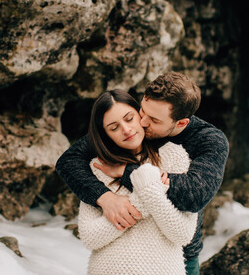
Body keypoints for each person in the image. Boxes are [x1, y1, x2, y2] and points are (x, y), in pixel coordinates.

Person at [55, 72, 229, 274]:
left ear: (181, 123)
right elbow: (68, 161)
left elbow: (195, 194)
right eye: (142, 111)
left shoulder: (208, 140)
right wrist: (104, 197)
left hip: (178, 255)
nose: (143, 122)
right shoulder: (131, 127)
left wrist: (126, 172)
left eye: (154, 120)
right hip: (118, 256)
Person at [78, 89, 197, 274]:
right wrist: (146, 196)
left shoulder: (173, 156)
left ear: (141, 116)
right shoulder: (98, 167)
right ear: (105, 134)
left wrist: (145, 197)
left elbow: (183, 234)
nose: (126, 129)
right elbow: (90, 237)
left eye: (129, 118)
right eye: (114, 127)